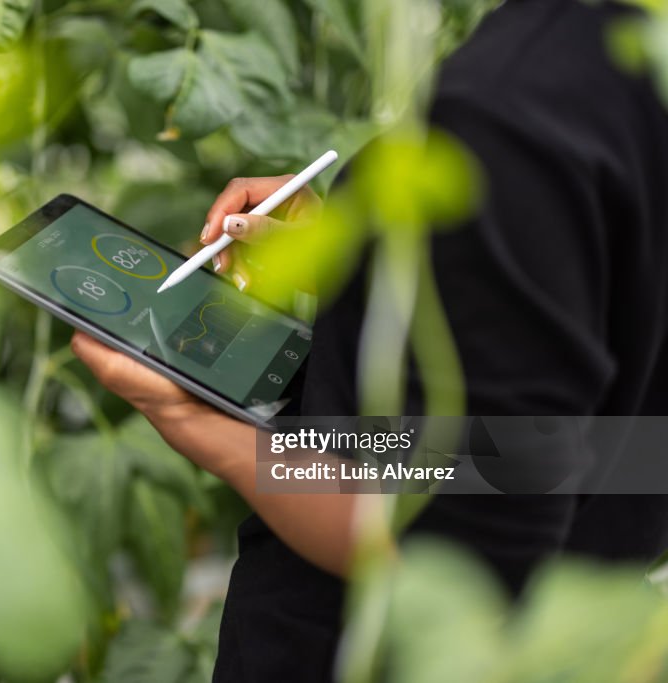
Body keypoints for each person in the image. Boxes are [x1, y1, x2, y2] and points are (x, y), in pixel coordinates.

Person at [72, 0, 668, 679]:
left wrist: (211, 430)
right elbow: (575, 439)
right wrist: (372, 264)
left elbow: (462, 553)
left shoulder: (509, 107)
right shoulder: (638, 57)